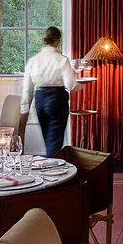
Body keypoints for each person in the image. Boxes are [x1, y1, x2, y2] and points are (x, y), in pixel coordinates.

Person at [21, 26, 80, 154]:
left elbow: (27, 88)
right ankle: (51, 165)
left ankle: (50, 163)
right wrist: (82, 85)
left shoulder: (33, 60)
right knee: (54, 143)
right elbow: (70, 85)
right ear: (58, 40)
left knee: (48, 140)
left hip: (40, 99)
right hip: (57, 99)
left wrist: (25, 108)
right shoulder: (62, 60)